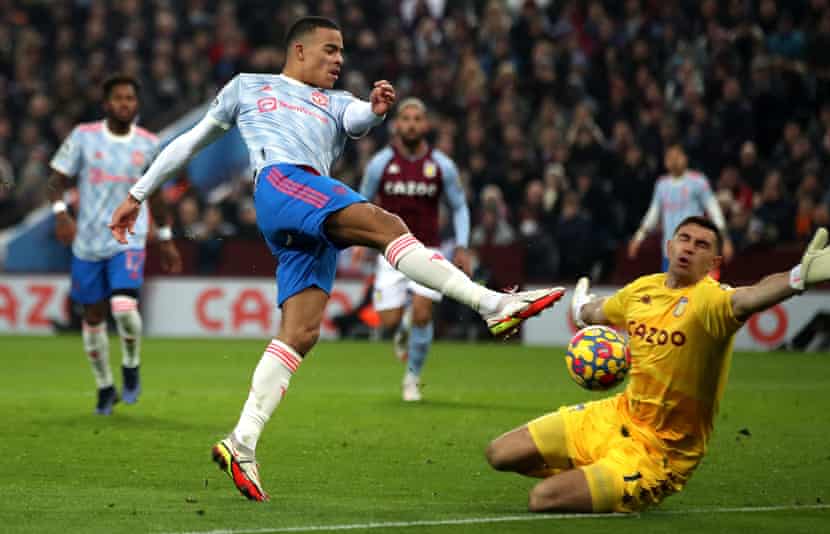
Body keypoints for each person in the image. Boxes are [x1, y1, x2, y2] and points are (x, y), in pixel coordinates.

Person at [107, 17, 564, 502]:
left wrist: (377, 109)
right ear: (299, 50)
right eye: (330, 50)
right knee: (388, 226)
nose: (339, 59)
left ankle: (242, 440)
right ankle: (492, 305)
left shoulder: (337, 101)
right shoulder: (247, 87)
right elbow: (189, 142)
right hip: (282, 183)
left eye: (342, 51)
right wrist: (138, 194)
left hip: (306, 214)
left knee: (300, 333)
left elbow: (359, 119)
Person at [486, 216, 830, 513]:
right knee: (499, 454)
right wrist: (579, 305)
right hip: (616, 415)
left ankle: (622, 487)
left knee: (544, 498)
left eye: (702, 246)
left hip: (659, 452)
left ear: (713, 262)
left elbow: (750, 298)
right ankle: (597, 472)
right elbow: (596, 311)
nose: (689, 249)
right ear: (669, 245)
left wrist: (798, 278)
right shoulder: (643, 289)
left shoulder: (710, 302)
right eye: (684, 239)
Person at [47, 74, 182, 415]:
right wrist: (61, 214)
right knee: (92, 317)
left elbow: (158, 196)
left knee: (123, 307)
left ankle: (131, 364)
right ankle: (106, 386)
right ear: (106, 104)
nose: (125, 104)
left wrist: (165, 238)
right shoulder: (84, 137)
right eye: (119, 98)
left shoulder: (149, 143)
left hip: (129, 240)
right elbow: (56, 179)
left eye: (131, 99)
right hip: (88, 243)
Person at [359, 97, 471, 401]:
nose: (411, 123)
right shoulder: (381, 163)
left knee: (422, 313)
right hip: (389, 251)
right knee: (389, 322)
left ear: (426, 125)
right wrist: (360, 240)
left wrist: (462, 245)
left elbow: (459, 207)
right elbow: (362, 201)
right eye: (405, 118)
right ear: (396, 125)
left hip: (428, 249)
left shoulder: (442, 166)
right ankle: (401, 328)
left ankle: (412, 377)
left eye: (416, 118)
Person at [628, 145, 734, 271]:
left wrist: (725, 238)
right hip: (670, 251)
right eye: (670, 157)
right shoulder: (661, 184)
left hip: (694, 250)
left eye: (677, 156)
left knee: (695, 289)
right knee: (672, 289)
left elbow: (714, 210)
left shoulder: (698, 181)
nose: (674, 160)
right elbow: (653, 214)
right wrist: (638, 238)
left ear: (685, 158)